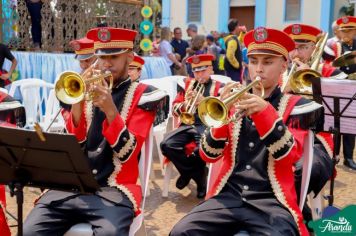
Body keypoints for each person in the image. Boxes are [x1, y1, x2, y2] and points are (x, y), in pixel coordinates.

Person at [170, 27, 319, 236]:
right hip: (228, 195)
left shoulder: (297, 105)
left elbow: (289, 157)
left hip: (271, 200)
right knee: (181, 232)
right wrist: (220, 118)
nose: (259, 69)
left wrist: (265, 112)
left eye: (267, 62)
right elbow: (207, 155)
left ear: (284, 65)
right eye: (254, 62)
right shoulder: (234, 101)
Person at [23, 27, 167, 235]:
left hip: (114, 190)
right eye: (101, 57)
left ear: (130, 56)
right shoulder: (87, 89)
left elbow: (128, 153)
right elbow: (76, 144)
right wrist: (78, 104)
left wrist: (110, 111)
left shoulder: (145, 96)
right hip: (70, 187)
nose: (106, 64)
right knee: (29, 232)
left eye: (113, 57)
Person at [283, 23, 342, 226]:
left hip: (318, 138)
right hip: (285, 136)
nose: (297, 53)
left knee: (309, 169)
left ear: (315, 48)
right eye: (293, 47)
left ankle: (297, 210)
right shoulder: (280, 71)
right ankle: (297, 211)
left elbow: (341, 110)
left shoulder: (330, 72)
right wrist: (285, 90)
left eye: (303, 47)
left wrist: (316, 83)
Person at [160, 54, 224, 199]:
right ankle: (195, 174)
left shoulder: (220, 88)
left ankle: (195, 179)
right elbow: (174, 109)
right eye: (196, 72)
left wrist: (204, 101)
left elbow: (224, 110)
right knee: (166, 145)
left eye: (202, 71)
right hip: (187, 123)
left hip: (207, 126)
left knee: (199, 149)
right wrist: (184, 104)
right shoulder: (187, 85)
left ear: (211, 70)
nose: (199, 75)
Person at [322, 16, 356, 170]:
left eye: (349, 30)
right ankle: (333, 156)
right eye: (343, 31)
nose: (346, 34)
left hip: (354, 89)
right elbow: (327, 65)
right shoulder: (333, 47)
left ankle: (348, 157)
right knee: (335, 124)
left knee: (351, 124)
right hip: (339, 88)